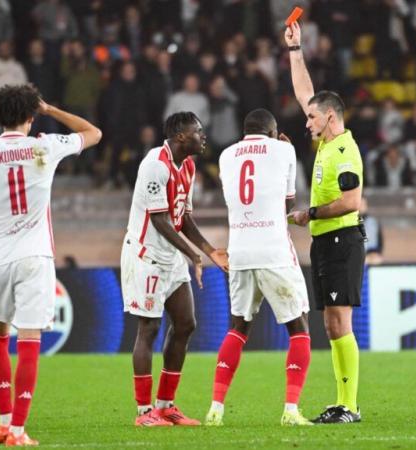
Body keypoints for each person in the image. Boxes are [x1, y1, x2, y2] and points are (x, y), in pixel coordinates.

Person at [0, 84, 102, 445]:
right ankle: (19, 431)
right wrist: (52, 110)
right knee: (29, 339)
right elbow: (93, 134)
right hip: (34, 258)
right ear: (30, 115)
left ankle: (4, 422)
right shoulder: (44, 146)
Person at [204, 108, 312, 427]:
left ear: (245, 131)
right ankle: (291, 411)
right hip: (273, 248)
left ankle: (215, 408)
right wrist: (285, 148)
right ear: (273, 130)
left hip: (239, 249)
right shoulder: (285, 150)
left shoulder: (226, 156)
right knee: (299, 329)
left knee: (237, 328)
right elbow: (287, 205)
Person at [121, 111, 228, 427]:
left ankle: (166, 405)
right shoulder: (155, 165)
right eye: (198, 130)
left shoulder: (189, 165)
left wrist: (209, 251)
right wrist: (193, 256)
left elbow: (182, 218)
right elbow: (159, 219)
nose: (203, 135)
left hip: (172, 255)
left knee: (185, 323)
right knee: (149, 329)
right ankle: (144, 413)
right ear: (181, 136)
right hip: (147, 255)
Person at [285, 20, 364, 424]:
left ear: (330, 117)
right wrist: (296, 51)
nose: (307, 121)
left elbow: (352, 201)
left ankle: (349, 405)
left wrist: (309, 214)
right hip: (326, 242)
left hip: (341, 239)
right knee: (332, 324)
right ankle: (344, 402)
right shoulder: (329, 142)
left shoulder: (344, 151)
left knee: (339, 322)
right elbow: (304, 94)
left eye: (313, 117)